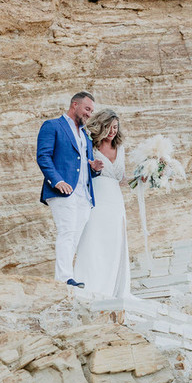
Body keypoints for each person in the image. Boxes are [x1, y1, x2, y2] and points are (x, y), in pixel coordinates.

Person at [37, 92, 104, 287]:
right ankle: (64, 278)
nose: (89, 114)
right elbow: (43, 156)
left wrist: (94, 169)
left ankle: (66, 276)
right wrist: (57, 181)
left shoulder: (85, 135)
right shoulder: (52, 126)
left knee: (74, 236)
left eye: (91, 111)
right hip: (63, 191)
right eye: (87, 109)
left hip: (84, 194)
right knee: (66, 232)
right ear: (75, 105)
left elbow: (82, 165)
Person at [74, 109, 131, 298]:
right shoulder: (91, 145)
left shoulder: (120, 148)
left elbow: (122, 178)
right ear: (101, 126)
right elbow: (80, 171)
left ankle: (112, 288)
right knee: (94, 239)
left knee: (115, 243)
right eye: (109, 127)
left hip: (115, 200)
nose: (113, 131)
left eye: (115, 127)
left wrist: (143, 177)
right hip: (97, 198)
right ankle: (90, 285)